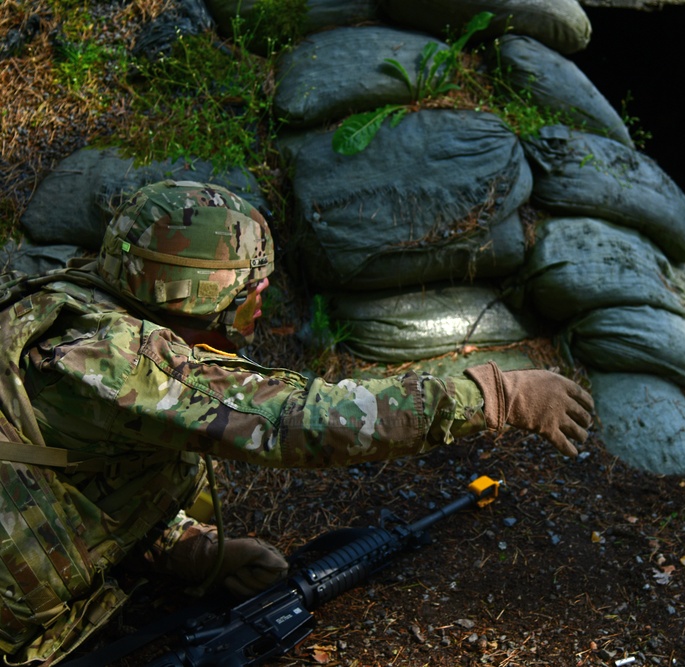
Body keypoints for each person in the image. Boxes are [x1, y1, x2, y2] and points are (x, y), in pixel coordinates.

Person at [0, 180, 593, 665]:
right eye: (252, 285)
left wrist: (187, 551)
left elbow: (92, 475)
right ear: (203, 297)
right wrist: (494, 394)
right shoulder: (117, 359)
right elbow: (300, 422)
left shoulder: (83, 299)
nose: (263, 297)